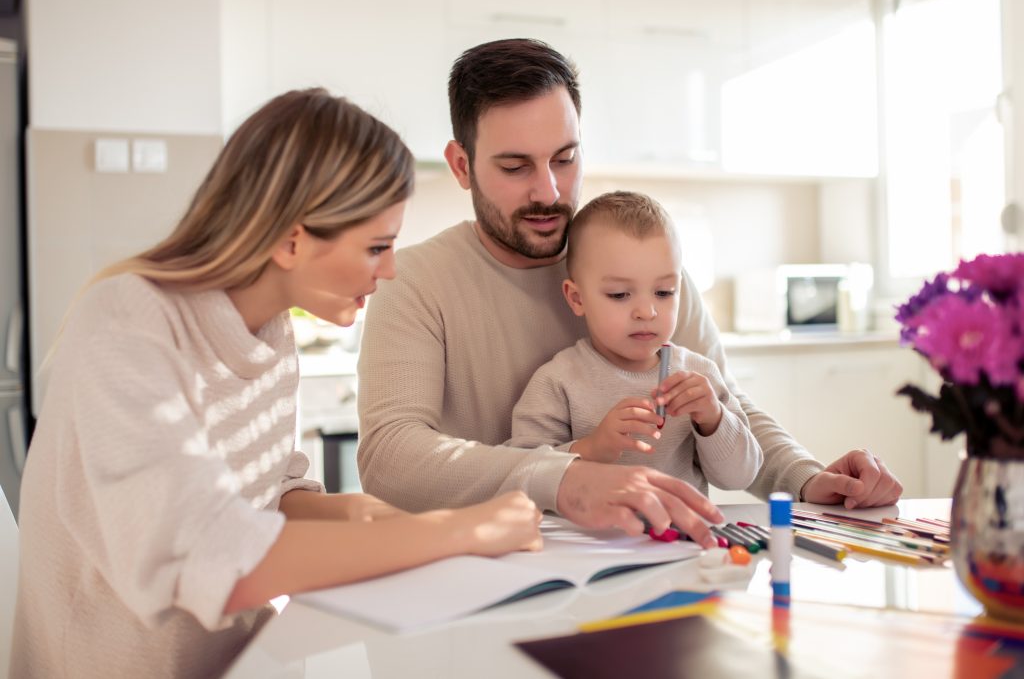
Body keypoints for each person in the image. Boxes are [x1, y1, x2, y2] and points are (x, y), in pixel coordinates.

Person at [11, 88, 543, 679]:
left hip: (243, 662)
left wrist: (372, 518)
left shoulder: (269, 328)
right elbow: (206, 552)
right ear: (292, 239)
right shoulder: (129, 320)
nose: (389, 269)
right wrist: (454, 530)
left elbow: (274, 493)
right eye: (375, 247)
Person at [357, 38, 902, 548]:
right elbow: (390, 457)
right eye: (515, 166)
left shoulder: (644, 270)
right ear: (461, 165)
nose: (548, 190)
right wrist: (564, 477)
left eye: (565, 158)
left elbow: (723, 407)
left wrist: (809, 479)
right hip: (486, 572)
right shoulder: (413, 283)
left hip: (657, 561)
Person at [508, 190, 763, 498]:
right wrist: (592, 448)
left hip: (683, 539)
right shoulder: (559, 381)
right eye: (619, 295)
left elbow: (742, 476)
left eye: (664, 292)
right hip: (589, 543)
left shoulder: (699, 375)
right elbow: (522, 477)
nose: (647, 311)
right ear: (577, 298)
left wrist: (713, 419)